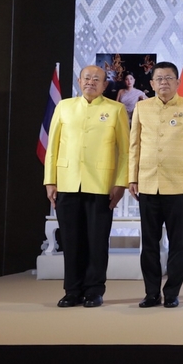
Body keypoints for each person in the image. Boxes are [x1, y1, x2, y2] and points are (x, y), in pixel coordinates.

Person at [43, 65, 129, 308]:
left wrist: (120, 183)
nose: (91, 82)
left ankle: (94, 290)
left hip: (101, 185)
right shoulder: (64, 106)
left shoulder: (116, 109)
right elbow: (53, 147)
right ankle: (72, 290)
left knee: (97, 241)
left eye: (96, 79)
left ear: (105, 85)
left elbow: (125, 152)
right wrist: (50, 180)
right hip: (67, 182)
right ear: (80, 82)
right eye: (87, 78)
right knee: (70, 241)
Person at [128, 61, 183, 308]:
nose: (164, 82)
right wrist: (132, 177)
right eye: (159, 78)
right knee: (149, 243)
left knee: (177, 243)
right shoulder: (142, 107)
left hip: (178, 186)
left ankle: (172, 293)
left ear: (177, 82)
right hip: (148, 184)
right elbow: (134, 146)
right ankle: (151, 293)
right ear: (151, 83)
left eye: (169, 78)